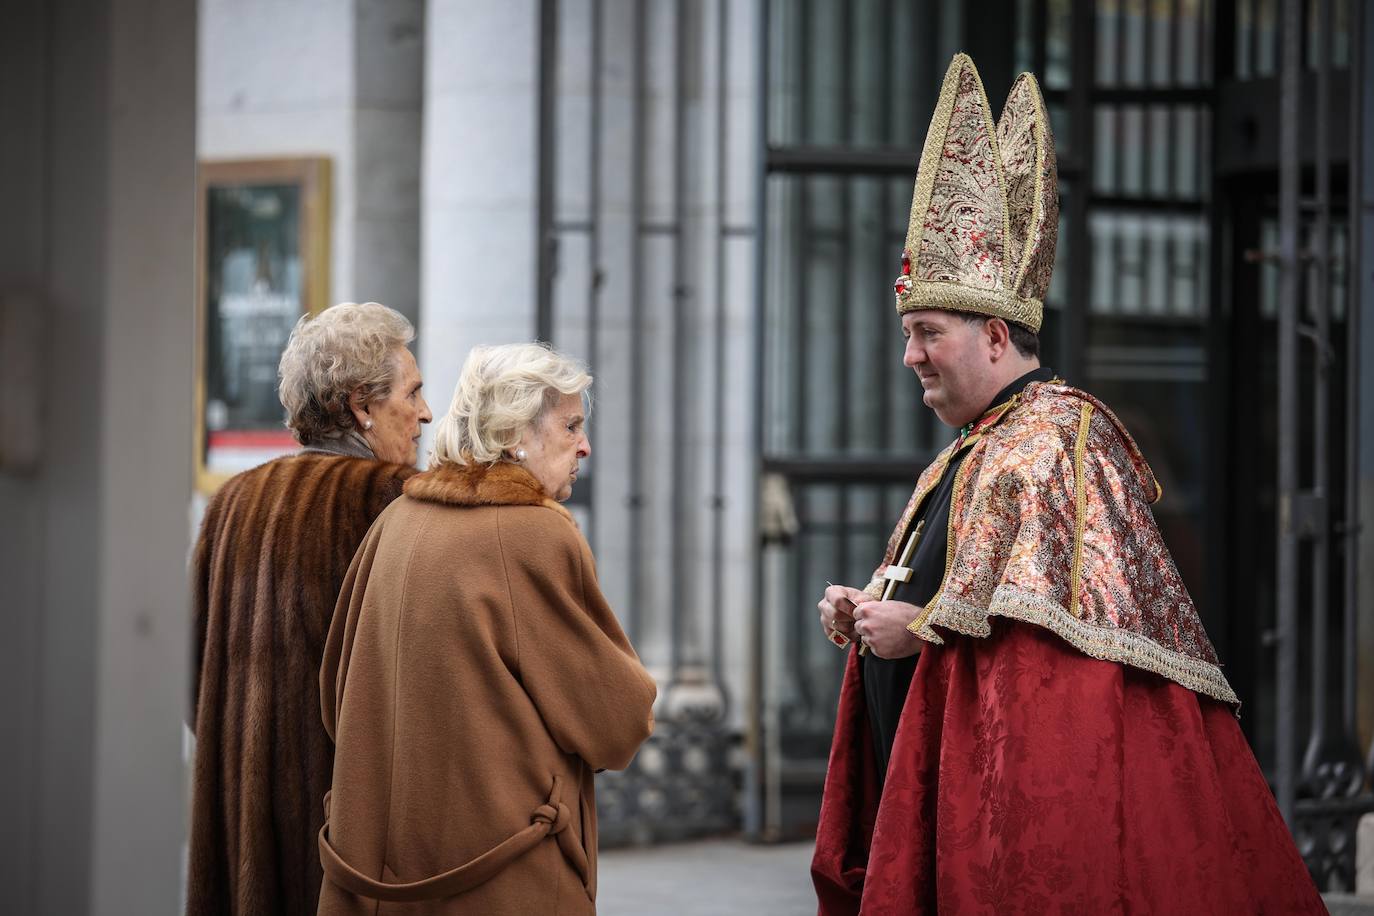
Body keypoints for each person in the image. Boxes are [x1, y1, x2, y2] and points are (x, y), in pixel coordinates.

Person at [810, 54, 1324, 914]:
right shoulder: (973, 449)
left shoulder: (1056, 442)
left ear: (997, 337)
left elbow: (1052, 681)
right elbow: (959, 601)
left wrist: (923, 628)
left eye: (928, 331)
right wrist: (870, 614)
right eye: (909, 334)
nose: (912, 357)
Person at [316, 342, 656, 915]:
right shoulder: (535, 536)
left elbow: (335, 696)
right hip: (500, 876)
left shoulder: (395, 520)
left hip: (375, 874)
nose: (585, 445)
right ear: (515, 432)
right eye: (571, 425)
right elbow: (619, 720)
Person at [188, 301, 432, 916]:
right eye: (414, 392)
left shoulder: (230, 503)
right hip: (347, 842)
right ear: (362, 406)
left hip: (238, 824)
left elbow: (188, 679)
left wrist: (245, 754)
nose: (426, 414)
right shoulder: (394, 505)